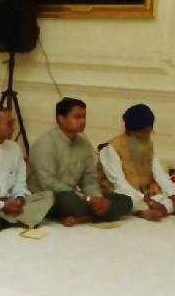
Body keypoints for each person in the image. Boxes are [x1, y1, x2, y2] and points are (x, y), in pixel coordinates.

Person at [27, 97, 134, 226]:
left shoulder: (84, 145)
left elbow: (90, 181)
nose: (83, 121)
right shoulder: (44, 144)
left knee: (126, 200)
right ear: (61, 118)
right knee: (69, 200)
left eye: (84, 117)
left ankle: (83, 216)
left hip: (78, 197)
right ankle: (91, 215)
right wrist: (86, 198)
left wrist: (97, 199)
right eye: (77, 117)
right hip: (49, 198)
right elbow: (48, 183)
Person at [97, 103, 175, 221]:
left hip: (145, 195)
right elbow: (119, 183)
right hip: (121, 193)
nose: (147, 136)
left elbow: (160, 174)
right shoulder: (111, 148)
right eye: (143, 132)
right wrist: (150, 202)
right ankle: (145, 210)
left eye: (149, 131)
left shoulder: (147, 145)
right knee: (124, 198)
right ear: (129, 131)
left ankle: (154, 209)